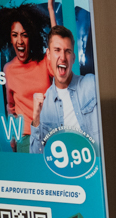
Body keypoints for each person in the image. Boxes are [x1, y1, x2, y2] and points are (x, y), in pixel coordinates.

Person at [0, 0, 56, 152]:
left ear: (31, 37)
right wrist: (13, 140)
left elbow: (58, 47)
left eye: (24, 35)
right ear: (9, 38)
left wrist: (50, 9)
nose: (19, 41)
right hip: (25, 137)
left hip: (50, 133)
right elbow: (11, 108)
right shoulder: (8, 69)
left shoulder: (44, 62)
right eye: (15, 35)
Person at [29, 25, 101, 153]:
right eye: (57, 50)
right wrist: (36, 119)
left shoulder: (92, 84)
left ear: (73, 58)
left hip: (96, 163)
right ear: (48, 55)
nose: (62, 57)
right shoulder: (44, 106)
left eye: (67, 51)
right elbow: (36, 155)